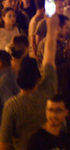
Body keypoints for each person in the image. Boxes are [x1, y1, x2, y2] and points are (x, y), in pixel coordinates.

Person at [0, 15, 58, 150]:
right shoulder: (48, 92)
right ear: (38, 78)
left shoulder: (12, 106)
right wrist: (51, 29)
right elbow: (49, 58)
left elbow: (4, 144)